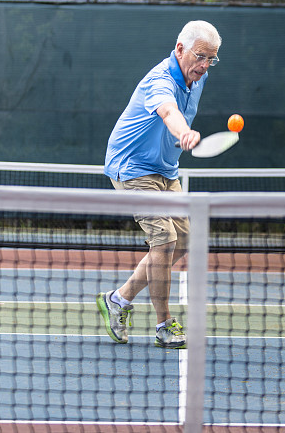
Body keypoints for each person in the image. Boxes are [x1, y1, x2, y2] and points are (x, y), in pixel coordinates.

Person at [97, 20, 222, 349]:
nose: (205, 65)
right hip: (133, 169)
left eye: (211, 59)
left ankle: (119, 299)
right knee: (164, 240)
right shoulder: (159, 80)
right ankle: (164, 324)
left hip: (166, 170)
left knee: (185, 240)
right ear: (180, 49)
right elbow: (168, 111)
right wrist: (184, 133)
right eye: (200, 56)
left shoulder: (199, 77)